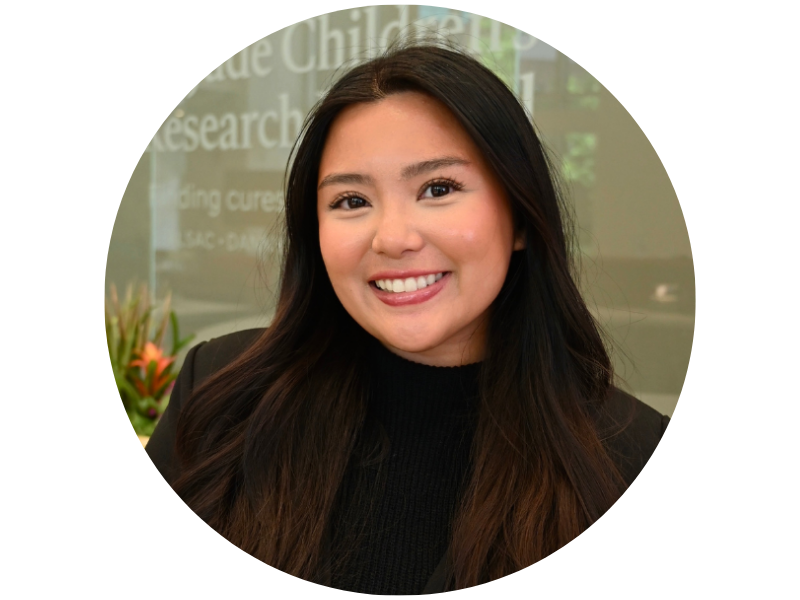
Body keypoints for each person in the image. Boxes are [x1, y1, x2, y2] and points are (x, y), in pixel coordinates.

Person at [146, 41, 669, 594]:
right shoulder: (223, 399)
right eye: (351, 200)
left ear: (519, 216)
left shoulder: (631, 458)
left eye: (438, 189)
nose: (393, 238)